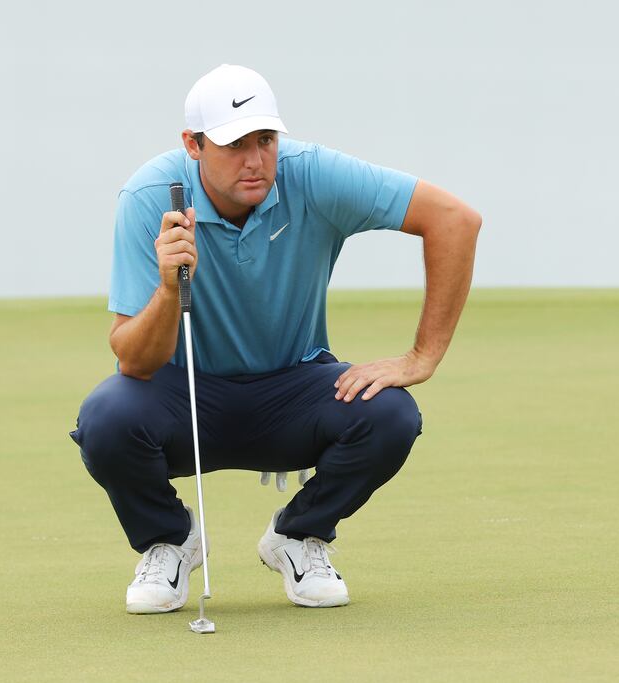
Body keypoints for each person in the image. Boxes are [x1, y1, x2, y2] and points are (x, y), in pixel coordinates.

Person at [70, 64, 481, 613]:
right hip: (184, 396)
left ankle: (298, 535)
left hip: (294, 389)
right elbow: (135, 363)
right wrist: (169, 289)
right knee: (106, 418)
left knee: (391, 414)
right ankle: (169, 541)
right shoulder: (150, 197)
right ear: (193, 145)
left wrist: (422, 357)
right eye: (234, 143)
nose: (256, 159)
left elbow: (455, 220)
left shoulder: (310, 174)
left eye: (265, 140)